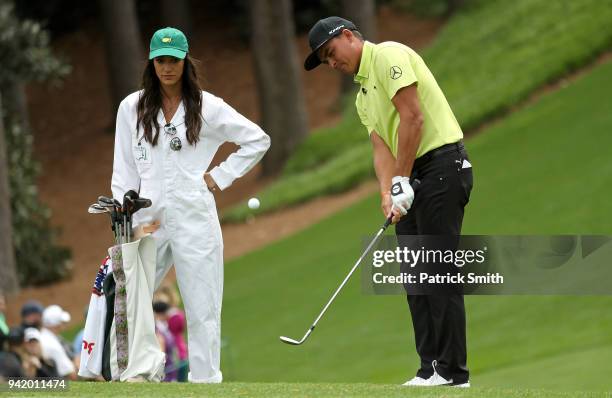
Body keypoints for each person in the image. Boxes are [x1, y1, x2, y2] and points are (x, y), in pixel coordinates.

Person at [304, 17, 473, 387]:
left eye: (331, 54)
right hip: (411, 175)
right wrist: (387, 191)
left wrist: (400, 180)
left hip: (442, 165)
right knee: (415, 275)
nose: (332, 64)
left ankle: (453, 373)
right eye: (325, 61)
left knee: (437, 270)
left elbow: (413, 118)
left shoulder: (388, 56)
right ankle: (429, 368)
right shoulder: (363, 94)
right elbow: (380, 146)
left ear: (348, 37)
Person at [111, 27, 270, 383]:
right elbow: (123, 169)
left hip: (195, 215)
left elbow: (257, 140)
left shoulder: (207, 106)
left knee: (202, 305)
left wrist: (219, 176)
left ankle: (204, 381)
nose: (167, 68)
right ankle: (135, 373)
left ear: (186, 62)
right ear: (151, 63)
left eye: (174, 61)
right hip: (146, 217)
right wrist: (128, 218)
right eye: (160, 61)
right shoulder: (131, 108)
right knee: (132, 297)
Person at [39, 305, 76, 379]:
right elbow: (71, 374)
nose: (63, 325)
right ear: (56, 325)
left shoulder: (41, 336)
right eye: (62, 322)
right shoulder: (53, 345)